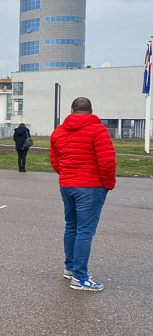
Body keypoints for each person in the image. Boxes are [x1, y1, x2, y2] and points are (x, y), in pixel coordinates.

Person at [50, 97, 116, 292]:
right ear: (90, 110)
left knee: (72, 227)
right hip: (90, 186)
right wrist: (108, 184)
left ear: (72, 110)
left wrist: (66, 175)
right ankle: (79, 276)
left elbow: (55, 160)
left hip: (68, 185)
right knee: (85, 232)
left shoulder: (59, 131)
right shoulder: (98, 130)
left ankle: (70, 268)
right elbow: (107, 161)